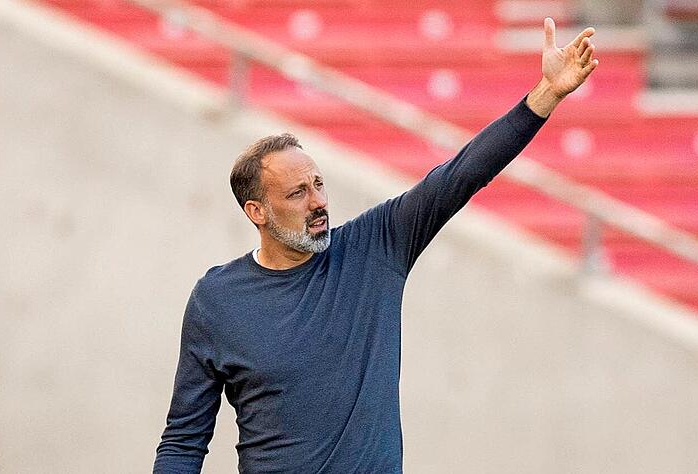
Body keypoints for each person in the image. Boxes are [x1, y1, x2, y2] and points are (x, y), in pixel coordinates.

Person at [153, 17, 598, 474]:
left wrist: (546, 94)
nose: (318, 202)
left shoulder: (376, 246)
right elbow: (184, 441)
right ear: (257, 212)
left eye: (318, 184)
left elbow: (462, 174)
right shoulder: (218, 300)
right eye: (297, 193)